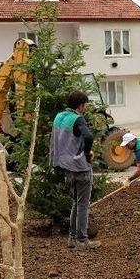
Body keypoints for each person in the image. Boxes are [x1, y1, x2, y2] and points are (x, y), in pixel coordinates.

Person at [49, 90, 100, 250]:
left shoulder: (59, 117)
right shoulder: (77, 119)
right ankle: (82, 241)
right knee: (83, 205)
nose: (85, 108)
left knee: (75, 202)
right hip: (80, 167)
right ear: (80, 105)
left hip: (66, 167)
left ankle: (72, 239)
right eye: (84, 105)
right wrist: (86, 153)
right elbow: (89, 137)